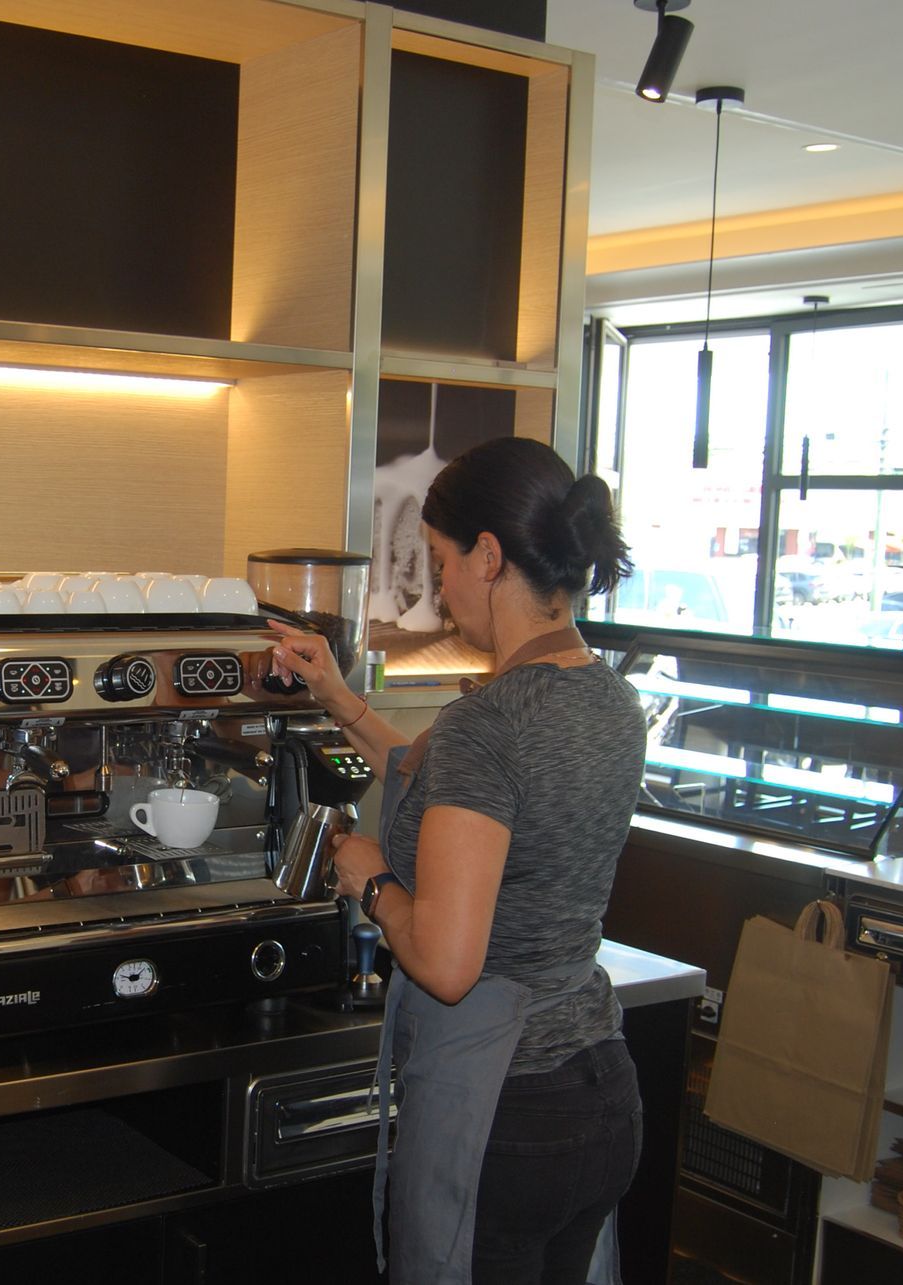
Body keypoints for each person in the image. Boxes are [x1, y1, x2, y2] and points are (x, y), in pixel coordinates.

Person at [268, 437, 646, 1285]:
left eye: (441, 562)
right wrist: (338, 698)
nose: (438, 587)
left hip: (505, 1108)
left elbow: (444, 962)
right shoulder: (614, 701)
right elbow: (456, 791)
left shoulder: (490, 722)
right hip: (599, 1089)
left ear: (488, 555)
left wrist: (373, 882)